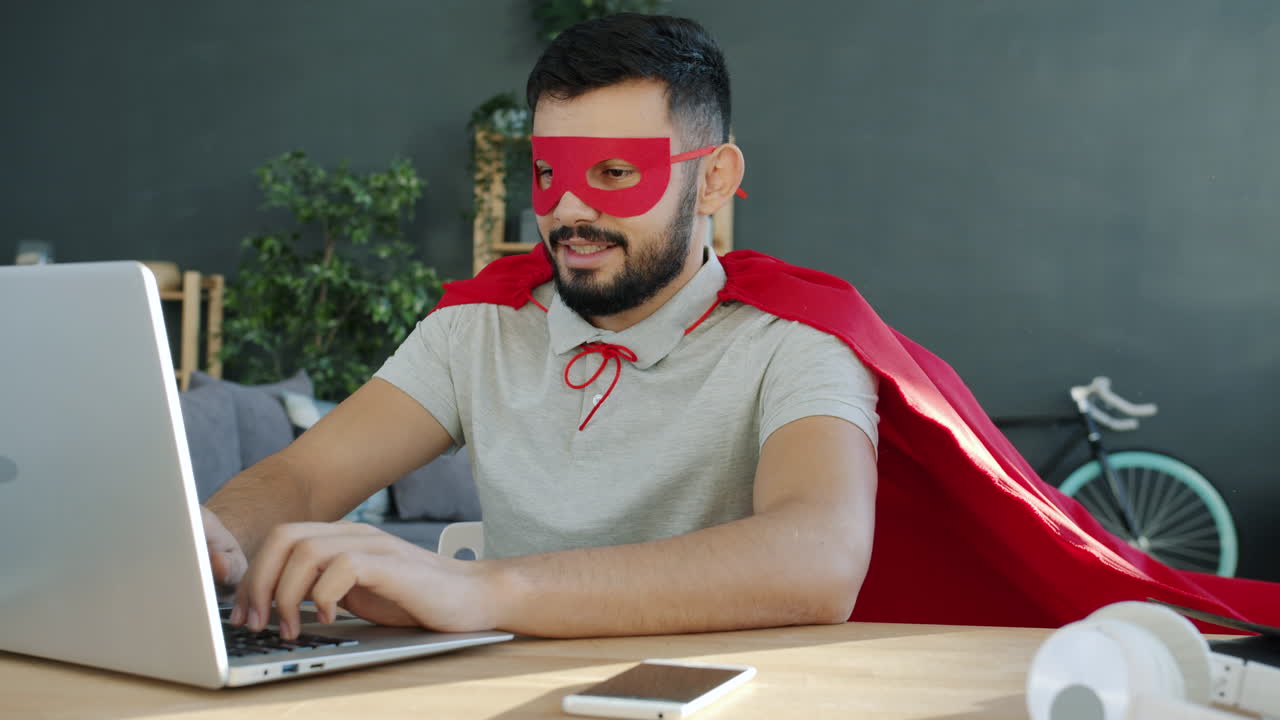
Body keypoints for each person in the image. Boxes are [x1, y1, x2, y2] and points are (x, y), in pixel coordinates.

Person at [204, 13, 881, 640]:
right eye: (549, 171)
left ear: (713, 179)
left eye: (615, 172)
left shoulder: (798, 341)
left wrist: (482, 590)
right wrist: (212, 539)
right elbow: (306, 479)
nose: (570, 209)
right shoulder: (474, 330)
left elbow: (820, 557)